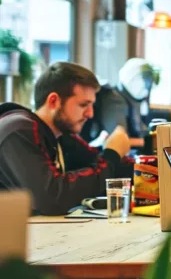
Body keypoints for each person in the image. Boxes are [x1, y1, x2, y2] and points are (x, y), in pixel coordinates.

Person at [0, 62, 132, 215]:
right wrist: (112, 155)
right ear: (54, 101)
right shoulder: (19, 130)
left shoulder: (60, 136)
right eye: (83, 105)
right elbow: (52, 197)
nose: (90, 114)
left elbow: (101, 165)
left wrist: (149, 171)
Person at [80, 58, 158, 149]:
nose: (147, 87)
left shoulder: (130, 100)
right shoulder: (115, 100)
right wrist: (151, 142)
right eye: (145, 81)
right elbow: (118, 138)